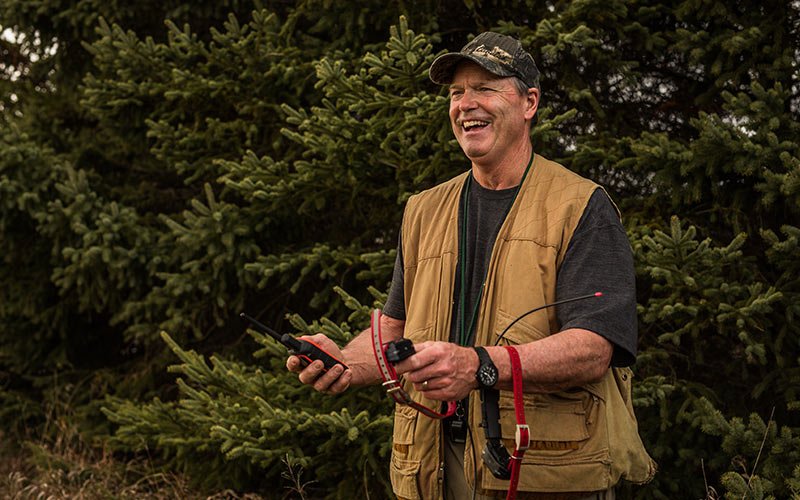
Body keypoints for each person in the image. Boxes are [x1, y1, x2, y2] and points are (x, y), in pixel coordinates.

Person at [287, 31, 656, 499]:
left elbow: (593, 348)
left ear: (529, 102)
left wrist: (480, 364)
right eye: (457, 92)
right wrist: (344, 362)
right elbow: (396, 329)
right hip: (436, 468)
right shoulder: (423, 209)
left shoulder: (581, 207)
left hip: (541, 470)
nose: (466, 103)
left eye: (484, 88)